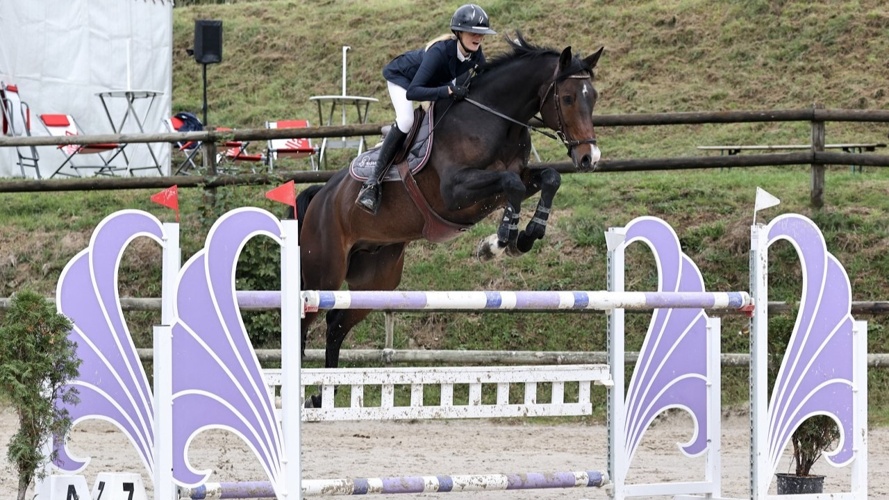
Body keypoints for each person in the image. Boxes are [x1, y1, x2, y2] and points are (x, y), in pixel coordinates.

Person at [355, 4, 497, 215]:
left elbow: (484, 82)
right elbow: (414, 92)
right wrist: (448, 91)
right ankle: (372, 184)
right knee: (406, 121)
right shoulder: (440, 52)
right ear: (458, 32)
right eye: (473, 32)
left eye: (482, 34)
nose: (478, 38)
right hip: (403, 80)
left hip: (429, 85)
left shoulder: (475, 54)